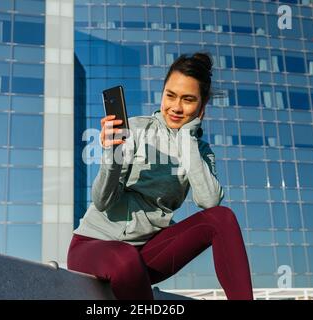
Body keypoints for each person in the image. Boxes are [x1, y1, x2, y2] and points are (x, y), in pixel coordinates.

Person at [67, 52, 253, 300]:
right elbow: (102, 200)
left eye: (188, 99)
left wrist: (186, 139)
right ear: (163, 92)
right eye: (170, 95)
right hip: (94, 246)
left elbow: (209, 201)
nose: (176, 107)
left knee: (222, 218)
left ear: (202, 106)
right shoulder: (135, 129)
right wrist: (113, 153)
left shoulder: (201, 152)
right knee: (125, 257)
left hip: (147, 255)